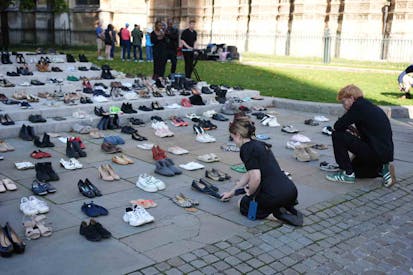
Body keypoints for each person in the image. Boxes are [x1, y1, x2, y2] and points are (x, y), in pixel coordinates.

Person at [220, 116, 303, 226]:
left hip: (275, 195)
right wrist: (233, 191)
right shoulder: (259, 144)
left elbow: (255, 177)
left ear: (238, 136)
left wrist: (250, 193)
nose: (234, 142)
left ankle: (273, 215)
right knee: (254, 195)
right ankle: (282, 207)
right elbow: (249, 173)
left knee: (242, 204)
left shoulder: (246, 149)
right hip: (291, 191)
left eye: (232, 138)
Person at [325, 84, 396, 187]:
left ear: (351, 98)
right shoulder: (368, 106)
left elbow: (338, 126)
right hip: (383, 153)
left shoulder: (358, 107)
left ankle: (347, 174)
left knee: (337, 135)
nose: (343, 105)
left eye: (343, 101)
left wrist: (346, 117)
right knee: (357, 171)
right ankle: (382, 170)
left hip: (375, 152)